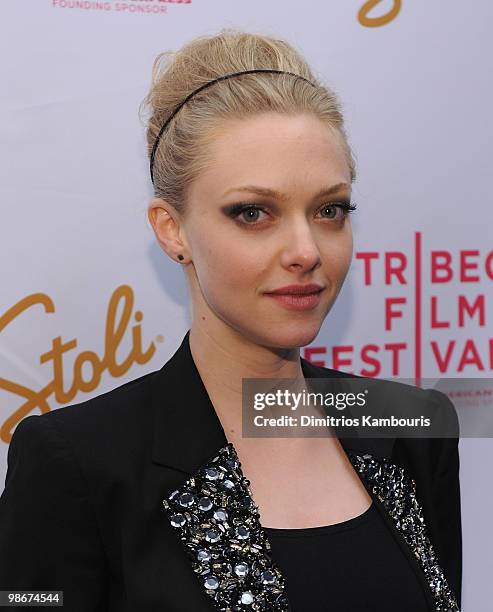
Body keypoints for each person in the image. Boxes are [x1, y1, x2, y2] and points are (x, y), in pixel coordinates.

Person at [0, 28, 461, 611]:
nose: (306, 250)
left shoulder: (412, 426)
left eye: (330, 210)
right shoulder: (78, 464)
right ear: (172, 230)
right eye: (252, 213)